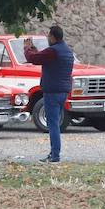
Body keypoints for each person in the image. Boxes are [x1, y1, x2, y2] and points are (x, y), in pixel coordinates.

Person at [23, 25, 75, 163]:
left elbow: (33, 59)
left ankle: (55, 155)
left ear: (52, 37)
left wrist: (27, 48)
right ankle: (54, 153)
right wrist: (34, 49)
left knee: (52, 125)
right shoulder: (67, 51)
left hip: (52, 91)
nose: (47, 38)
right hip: (63, 91)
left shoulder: (53, 51)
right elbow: (41, 56)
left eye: (48, 36)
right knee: (55, 122)